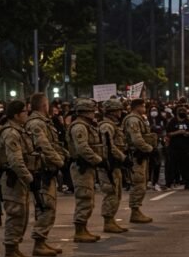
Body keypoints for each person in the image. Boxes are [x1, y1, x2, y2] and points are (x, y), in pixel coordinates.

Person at [0, 101, 38, 257]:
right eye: (24, 112)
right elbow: (15, 161)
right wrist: (29, 178)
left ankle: (15, 248)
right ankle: (10, 250)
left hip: (20, 179)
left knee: (22, 214)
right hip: (13, 179)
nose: (27, 115)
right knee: (15, 214)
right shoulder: (11, 133)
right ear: (16, 115)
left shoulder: (19, 131)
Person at [25, 93, 66, 255]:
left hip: (47, 169)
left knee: (49, 206)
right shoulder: (36, 123)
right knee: (45, 206)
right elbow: (44, 145)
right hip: (42, 170)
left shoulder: (44, 122)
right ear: (43, 106)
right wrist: (59, 161)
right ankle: (39, 241)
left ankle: (42, 240)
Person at [66, 98, 104, 242]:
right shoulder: (79, 127)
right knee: (84, 197)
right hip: (81, 166)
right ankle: (80, 230)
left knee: (88, 198)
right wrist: (98, 160)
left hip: (87, 166)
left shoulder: (86, 126)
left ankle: (83, 228)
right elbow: (83, 148)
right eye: (92, 111)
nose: (94, 114)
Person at [122, 98, 156, 223]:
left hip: (141, 155)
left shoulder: (139, 119)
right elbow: (136, 139)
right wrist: (149, 149)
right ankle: (135, 211)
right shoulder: (133, 120)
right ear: (137, 107)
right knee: (138, 183)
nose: (145, 108)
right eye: (143, 106)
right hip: (136, 155)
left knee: (142, 182)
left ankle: (136, 210)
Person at [98, 98, 129, 233]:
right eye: (118, 110)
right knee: (111, 192)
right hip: (109, 165)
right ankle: (108, 221)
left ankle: (111, 220)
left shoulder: (113, 125)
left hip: (115, 164)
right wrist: (123, 158)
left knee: (116, 193)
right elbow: (109, 147)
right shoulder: (107, 126)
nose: (120, 113)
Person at [166, 106, 189, 189]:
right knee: (172, 166)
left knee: (186, 166)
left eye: (184, 111)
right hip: (174, 147)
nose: (182, 112)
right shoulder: (172, 121)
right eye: (180, 111)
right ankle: (170, 182)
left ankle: (187, 183)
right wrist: (178, 132)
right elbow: (169, 133)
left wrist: (187, 134)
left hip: (186, 147)